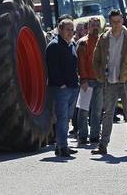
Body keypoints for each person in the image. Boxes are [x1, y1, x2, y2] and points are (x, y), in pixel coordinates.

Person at [91, 9, 127, 156]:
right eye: (113, 22)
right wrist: (100, 75)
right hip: (109, 81)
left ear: (122, 21)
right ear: (109, 22)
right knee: (108, 113)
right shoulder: (104, 38)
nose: (116, 24)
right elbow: (96, 60)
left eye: (119, 21)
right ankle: (103, 145)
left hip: (125, 81)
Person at [46, 18, 80, 157]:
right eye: (68, 29)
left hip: (72, 87)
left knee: (67, 118)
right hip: (61, 88)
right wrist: (61, 84)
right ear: (60, 29)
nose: (70, 33)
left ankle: (62, 144)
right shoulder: (54, 46)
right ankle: (62, 147)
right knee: (62, 118)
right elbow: (52, 68)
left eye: (72, 30)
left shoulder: (71, 45)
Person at [76, 17, 103, 145]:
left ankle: (95, 135)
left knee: (97, 110)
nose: (96, 27)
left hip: (100, 81)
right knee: (83, 110)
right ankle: (82, 135)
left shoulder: (103, 41)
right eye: (93, 25)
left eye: (97, 24)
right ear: (88, 27)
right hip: (87, 81)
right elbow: (80, 63)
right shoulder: (82, 43)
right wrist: (83, 80)